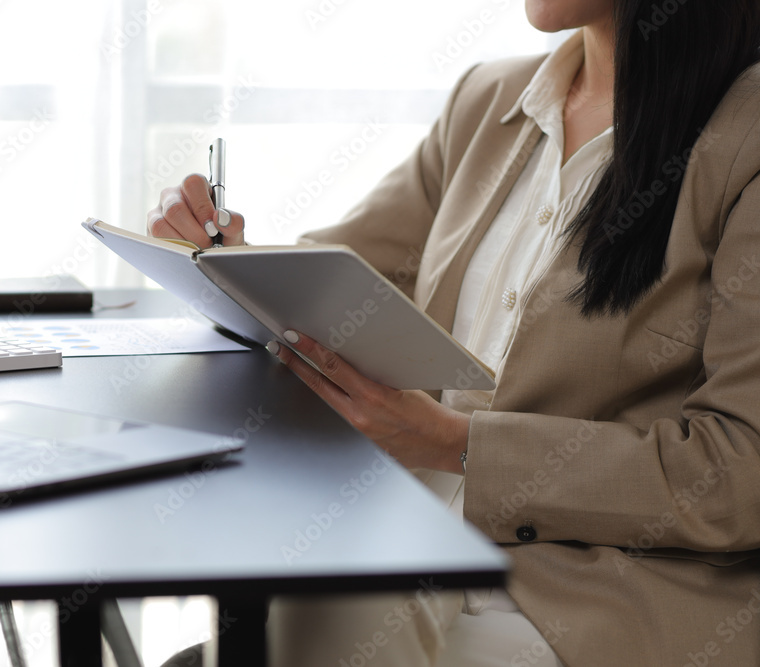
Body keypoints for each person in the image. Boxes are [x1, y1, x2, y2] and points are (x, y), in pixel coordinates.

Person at [148, 0, 760, 664]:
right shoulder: (489, 101)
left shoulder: (742, 137)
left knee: (316, 606)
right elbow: (332, 286)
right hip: (413, 536)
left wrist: (458, 443)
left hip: (594, 598)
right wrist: (224, 261)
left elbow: (739, 470)